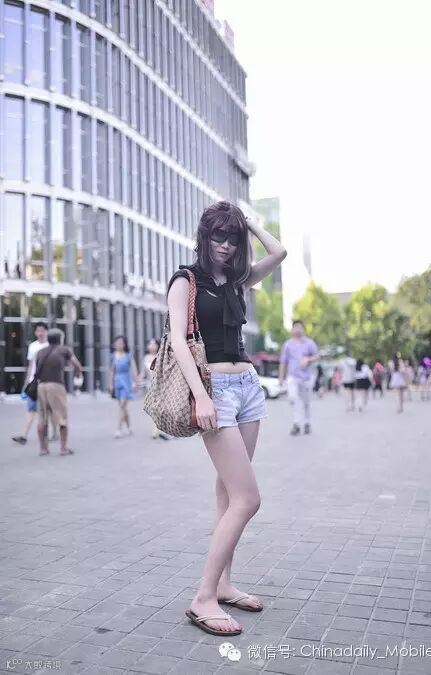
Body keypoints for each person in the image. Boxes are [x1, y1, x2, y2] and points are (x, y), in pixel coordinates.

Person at [167, 201, 286, 637]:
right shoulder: (186, 280)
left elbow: (279, 252)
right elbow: (178, 341)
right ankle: (203, 598)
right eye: (219, 236)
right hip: (215, 390)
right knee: (247, 499)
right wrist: (201, 396)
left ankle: (223, 585)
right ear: (205, 236)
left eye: (232, 238)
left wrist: (247, 221)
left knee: (228, 492)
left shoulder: (237, 279)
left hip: (248, 388)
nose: (225, 245)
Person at [35, 328, 82, 456]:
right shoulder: (64, 350)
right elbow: (77, 365)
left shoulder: (40, 352)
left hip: (41, 386)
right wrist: (78, 375)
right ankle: (63, 448)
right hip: (56, 385)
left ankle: (43, 448)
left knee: (42, 419)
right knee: (62, 417)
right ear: (60, 339)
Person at [12, 323, 58, 445]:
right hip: (34, 382)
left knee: (49, 409)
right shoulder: (33, 346)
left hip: (48, 381)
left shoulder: (51, 346)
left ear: (47, 332)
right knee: (30, 408)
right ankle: (23, 436)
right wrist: (26, 384)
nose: (40, 333)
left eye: (42, 330)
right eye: (38, 331)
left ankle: (54, 432)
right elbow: (31, 366)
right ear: (35, 333)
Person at [278, 321, 319, 436]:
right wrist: (280, 377)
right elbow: (283, 361)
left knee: (306, 401)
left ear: (303, 329)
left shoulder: (309, 343)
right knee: (293, 399)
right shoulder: (287, 345)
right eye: (295, 327)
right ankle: (296, 423)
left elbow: (317, 356)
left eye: (300, 327)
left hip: (306, 377)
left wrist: (308, 359)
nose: (298, 330)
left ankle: (307, 423)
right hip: (292, 377)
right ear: (292, 330)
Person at [140, 339, 170, 440]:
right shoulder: (145, 358)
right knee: (154, 408)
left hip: (161, 384)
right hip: (150, 385)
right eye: (150, 343)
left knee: (161, 407)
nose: (152, 345)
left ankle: (158, 430)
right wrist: (137, 381)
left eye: (154, 344)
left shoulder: (161, 356)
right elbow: (143, 372)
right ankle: (158, 429)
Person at [110, 336, 138, 438]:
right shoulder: (113, 356)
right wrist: (111, 384)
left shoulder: (129, 356)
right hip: (117, 382)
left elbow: (134, 370)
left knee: (122, 406)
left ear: (125, 344)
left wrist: (135, 382)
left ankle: (118, 429)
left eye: (121, 343)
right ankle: (129, 427)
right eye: (117, 343)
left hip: (126, 382)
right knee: (123, 407)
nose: (119, 345)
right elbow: (112, 371)